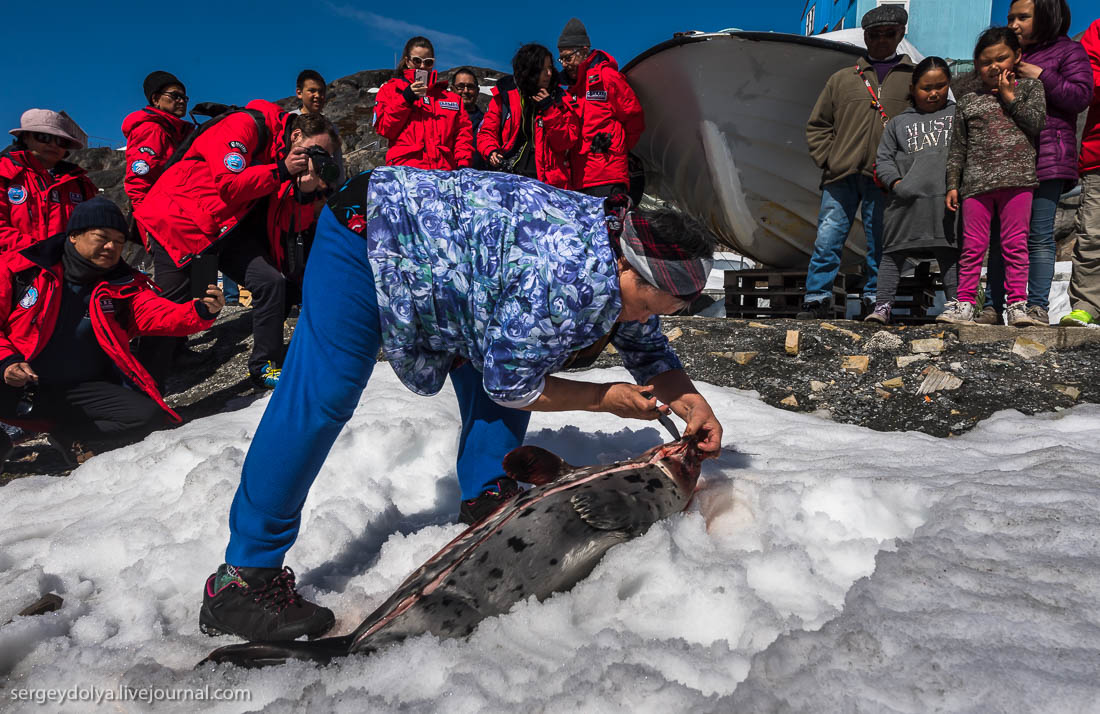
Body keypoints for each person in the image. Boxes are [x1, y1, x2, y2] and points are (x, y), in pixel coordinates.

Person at [197, 166, 724, 642]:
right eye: (661, 304)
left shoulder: (618, 254)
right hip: (371, 233)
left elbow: (645, 343)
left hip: (455, 265)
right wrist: (602, 399)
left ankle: (486, 494)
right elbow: (513, 384)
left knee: (505, 345)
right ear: (629, 272)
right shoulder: (570, 279)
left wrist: (692, 405)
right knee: (321, 396)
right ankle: (243, 579)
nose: (656, 316)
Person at [0, 197, 223, 468]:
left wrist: (199, 311)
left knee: (147, 416)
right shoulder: (22, 269)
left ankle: (69, 435)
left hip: (80, 388)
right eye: (101, 237)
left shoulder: (124, 283)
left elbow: (156, 313)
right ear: (73, 236)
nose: (111, 247)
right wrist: (7, 361)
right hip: (16, 380)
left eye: (119, 242)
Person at [135, 103, 339, 388]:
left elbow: (290, 223)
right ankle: (144, 387)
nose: (316, 159)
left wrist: (304, 192)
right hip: (180, 222)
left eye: (324, 156)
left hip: (222, 228)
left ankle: (263, 365)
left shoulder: (283, 158)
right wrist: (281, 170)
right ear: (296, 136)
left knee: (270, 282)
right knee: (175, 304)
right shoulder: (244, 125)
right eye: (316, 151)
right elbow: (229, 185)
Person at [977, 0, 1092, 325]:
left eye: (1022, 17)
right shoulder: (1007, 55)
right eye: (1010, 17)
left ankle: (1036, 306)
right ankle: (993, 306)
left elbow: (1080, 96)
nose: (1013, 23)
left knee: (1039, 234)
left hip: (1047, 157)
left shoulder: (1069, 52)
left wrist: (1041, 75)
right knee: (1002, 236)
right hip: (1006, 160)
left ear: (1046, 16)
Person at [799, 5, 916, 319]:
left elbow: (921, 126)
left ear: (901, 33)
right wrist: (829, 158)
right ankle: (817, 298)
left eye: (888, 33)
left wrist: (906, 167)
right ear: (865, 36)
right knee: (827, 238)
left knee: (880, 241)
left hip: (887, 175)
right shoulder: (842, 79)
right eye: (873, 34)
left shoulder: (914, 78)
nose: (880, 40)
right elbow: (818, 124)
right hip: (841, 174)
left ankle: (875, 300)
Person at [945, 27, 1047, 327]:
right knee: (972, 246)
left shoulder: (1030, 89)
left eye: (1001, 58)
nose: (994, 67)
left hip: (1018, 181)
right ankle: (965, 303)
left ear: (1017, 57)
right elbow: (957, 147)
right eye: (986, 61)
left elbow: (1036, 123)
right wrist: (953, 183)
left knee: (1015, 244)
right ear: (977, 65)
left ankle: (1016, 304)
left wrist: (1009, 97)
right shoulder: (967, 101)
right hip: (975, 185)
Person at [866, 57, 959, 325]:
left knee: (949, 253)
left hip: (945, 203)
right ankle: (882, 307)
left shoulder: (957, 115)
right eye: (926, 87)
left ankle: (956, 307)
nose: (933, 93)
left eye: (940, 86)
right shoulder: (897, 124)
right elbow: (883, 159)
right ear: (913, 87)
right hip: (904, 204)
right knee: (893, 254)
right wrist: (896, 184)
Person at [557, 18, 644, 196]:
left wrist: (617, 146)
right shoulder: (568, 89)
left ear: (583, 50)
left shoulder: (608, 78)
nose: (565, 64)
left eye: (568, 58)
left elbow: (634, 117)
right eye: (561, 59)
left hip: (608, 177)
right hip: (578, 180)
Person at [478, 43, 579, 188]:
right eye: (542, 69)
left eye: (550, 68)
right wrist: (491, 151)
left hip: (548, 183)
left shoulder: (561, 99)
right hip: (508, 177)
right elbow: (486, 132)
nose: (549, 74)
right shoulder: (505, 95)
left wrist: (549, 109)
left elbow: (566, 142)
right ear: (528, 70)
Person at [1, 110, 95, 254]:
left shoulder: (81, 183)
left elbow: (92, 230)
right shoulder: (4, 173)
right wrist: (41, 252)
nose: (53, 145)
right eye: (44, 137)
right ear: (25, 137)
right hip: (14, 271)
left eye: (61, 141)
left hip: (68, 272)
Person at [373, 37, 474, 170]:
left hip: (443, 173)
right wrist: (405, 99)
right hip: (405, 171)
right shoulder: (390, 90)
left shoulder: (450, 98)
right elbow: (384, 129)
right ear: (407, 61)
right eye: (417, 61)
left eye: (428, 62)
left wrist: (463, 164)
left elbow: (463, 135)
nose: (422, 66)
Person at [1061, 18, 1100, 327]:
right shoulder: (1099, 28)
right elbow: (1089, 81)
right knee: (1092, 234)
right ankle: (1087, 304)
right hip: (1098, 156)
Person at [121, 72, 194, 213]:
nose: (181, 101)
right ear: (156, 99)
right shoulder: (152, 129)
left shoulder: (179, 132)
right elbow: (139, 184)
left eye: (184, 97)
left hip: (180, 211)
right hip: (162, 216)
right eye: (175, 96)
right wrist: (149, 225)